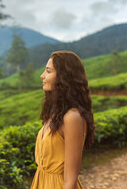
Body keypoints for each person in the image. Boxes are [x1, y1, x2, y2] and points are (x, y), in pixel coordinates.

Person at [30, 50, 95, 189]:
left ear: (64, 77)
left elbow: (71, 178)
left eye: (48, 71)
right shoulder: (55, 113)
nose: (42, 75)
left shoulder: (72, 117)